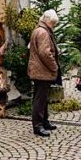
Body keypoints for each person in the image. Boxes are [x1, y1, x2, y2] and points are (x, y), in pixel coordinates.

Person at [27, 9, 60, 137]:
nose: (53, 26)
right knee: (40, 99)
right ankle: (38, 125)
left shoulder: (39, 30)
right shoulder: (43, 32)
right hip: (42, 70)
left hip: (39, 69)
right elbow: (45, 53)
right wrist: (54, 66)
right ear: (48, 21)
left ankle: (44, 121)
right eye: (53, 23)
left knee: (42, 97)